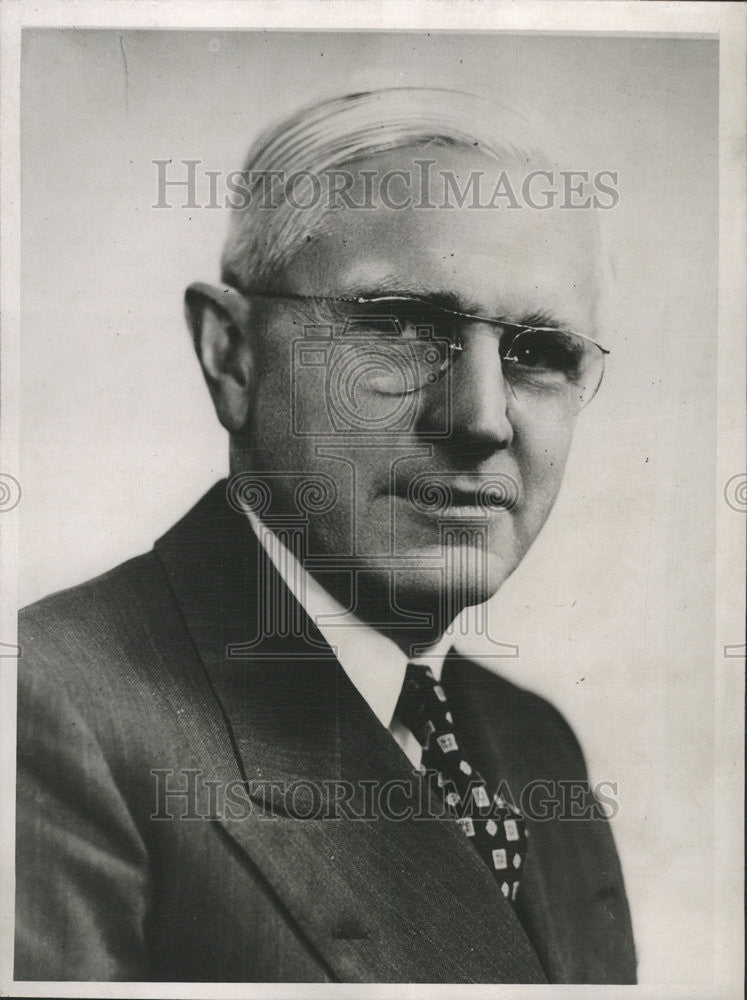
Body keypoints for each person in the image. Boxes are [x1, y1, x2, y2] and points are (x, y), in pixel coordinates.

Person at [15, 88, 636, 984]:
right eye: (398, 327)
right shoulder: (52, 710)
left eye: (537, 352)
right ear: (233, 355)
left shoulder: (534, 747)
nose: (483, 420)